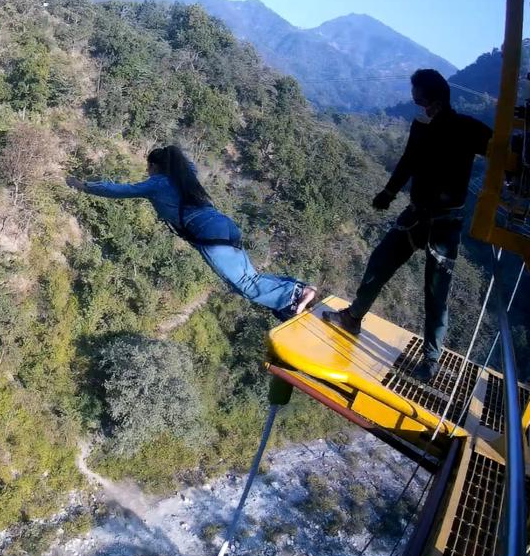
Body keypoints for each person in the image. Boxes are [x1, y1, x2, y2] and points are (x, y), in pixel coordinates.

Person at [323, 69, 492, 381]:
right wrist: (388, 192)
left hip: (443, 223)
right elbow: (409, 161)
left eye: (417, 95)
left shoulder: (466, 129)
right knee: (382, 263)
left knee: (435, 293)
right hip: (418, 215)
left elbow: (500, 152)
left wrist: (389, 193)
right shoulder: (436, 126)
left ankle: (431, 359)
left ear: (428, 97)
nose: (414, 100)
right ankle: (354, 317)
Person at [65, 145, 316, 321]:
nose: (147, 172)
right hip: (223, 224)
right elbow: (189, 164)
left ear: (155, 166)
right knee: (245, 281)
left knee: (245, 283)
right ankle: (294, 293)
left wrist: (84, 186)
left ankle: (297, 295)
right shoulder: (187, 175)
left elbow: (119, 190)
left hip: (207, 233)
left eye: (148, 167)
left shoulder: (158, 183)